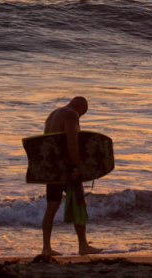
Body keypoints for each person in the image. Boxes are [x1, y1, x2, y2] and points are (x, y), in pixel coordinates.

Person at [41, 96, 103, 256]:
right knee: (79, 203)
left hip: (52, 168)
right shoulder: (71, 114)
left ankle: (46, 248)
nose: (80, 117)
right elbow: (72, 141)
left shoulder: (52, 115)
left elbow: (46, 144)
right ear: (81, 108)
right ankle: (83, 245)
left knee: (51, 208)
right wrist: (75, 166)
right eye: (82, 114)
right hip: (66, 169)